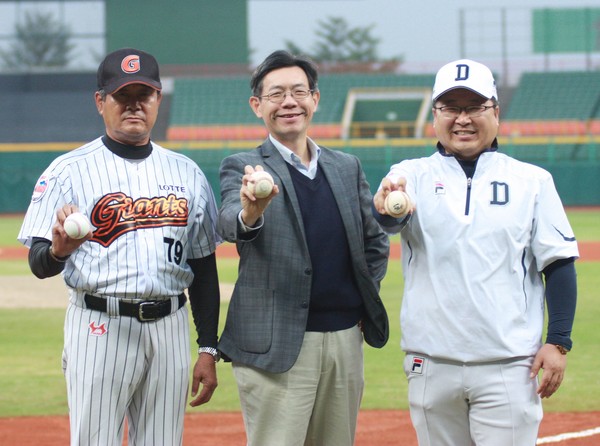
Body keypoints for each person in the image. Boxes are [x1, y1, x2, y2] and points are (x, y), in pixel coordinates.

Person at [17, 48, 222, 446]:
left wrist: (208, 347)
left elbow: (203, 265)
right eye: (121, 96)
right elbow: (39, 263)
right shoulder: (68, 170)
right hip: (99, 325)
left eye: (143, 96)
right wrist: (59, 251)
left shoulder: (187, 173)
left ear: (158, 100)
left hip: (170, 327)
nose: (133, 105)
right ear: (100, 102)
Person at [372, 59, 579, 445]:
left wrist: (559, 340)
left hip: (509, 365)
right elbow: (388, 219)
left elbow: (560, 264)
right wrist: (383, 207)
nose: (462, 119)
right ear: (435, 115)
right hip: (430, 364)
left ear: (496, 112)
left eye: (474, 107)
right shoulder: (409, 175)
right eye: (451, 108)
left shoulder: (532, 181)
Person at [217, 50, 390, 446]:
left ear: (315, 99)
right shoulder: (243, 166)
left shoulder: (347, 166)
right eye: (276, 94)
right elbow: (229, 222)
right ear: (257, 106)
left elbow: (374, 242)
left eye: (299, 91)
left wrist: (364, 297)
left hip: (344, 340)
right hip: (277, 346)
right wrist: (249, 213)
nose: (289, 102)